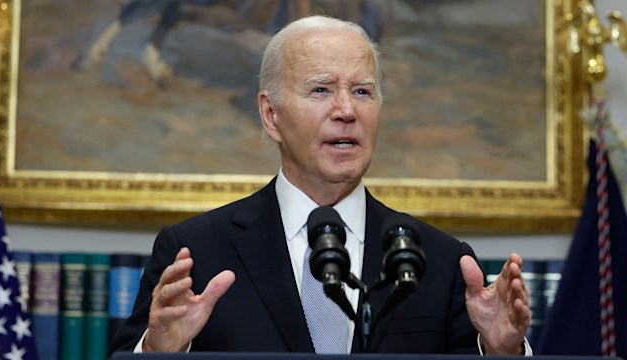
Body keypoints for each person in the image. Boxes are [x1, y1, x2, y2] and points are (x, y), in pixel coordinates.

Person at [108, 15, 531, 356]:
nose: (346, 110)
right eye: (321, 90)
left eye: (362, 91)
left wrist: (500, 352)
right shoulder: (195, 253)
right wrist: (161, 351)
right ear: (271, 115)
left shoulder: (439, 260)